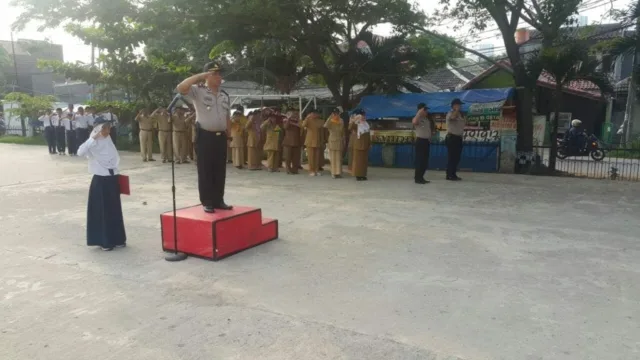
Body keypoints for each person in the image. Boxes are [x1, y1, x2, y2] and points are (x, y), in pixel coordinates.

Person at [176, 62, 232, 213]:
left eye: (220, 74)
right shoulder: (198, 91)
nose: (219, 77)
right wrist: (200, 76)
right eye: (215, 74)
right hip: (205, 135)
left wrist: (229, 135)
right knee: (205, 169)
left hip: (221, 137)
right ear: (207, 75)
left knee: (220, 170)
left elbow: (227, 115)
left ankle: (219, 200)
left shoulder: (224, 95)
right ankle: (207, 201)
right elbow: (181, 88)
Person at [77, 116, 127, 251]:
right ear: (98, 129)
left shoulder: (108, 139)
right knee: (103, 211)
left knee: (114, 210)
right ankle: (105, 241)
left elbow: (113, 157)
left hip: (112, 178)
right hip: (100, 180)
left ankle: (118, 239)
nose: (108, 131)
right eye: (105, 128)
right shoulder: (92, 142)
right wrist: (92, 138)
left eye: (109, 128)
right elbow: (80, 152)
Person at [412, 103, 435, 184]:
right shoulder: (417, 118)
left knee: (425, 161)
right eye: (424, 110)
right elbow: (414, 122)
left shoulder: (427, 119)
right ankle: (417, 178)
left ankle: (421, 177)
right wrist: (419, 112)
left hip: (426, 141)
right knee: (420, 160)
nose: (426, 111)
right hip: (420, 141)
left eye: (426, 110)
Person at [445, 98, 465, 181]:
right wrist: (456, 110)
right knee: (452, 157)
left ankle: (453, 173)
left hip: (458, 138)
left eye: (460, 105)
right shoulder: (451, 113)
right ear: (454, 105)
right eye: (459, 105)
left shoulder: (460, 114)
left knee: (457, 157)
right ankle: (449, 175)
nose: (460, 106)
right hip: (452, 137)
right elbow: (452, 118)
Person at [349, 109, 371, 181]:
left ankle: (363, 174)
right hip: (358, 145)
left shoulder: (366, 124)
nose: (363, 116)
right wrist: (355, 119)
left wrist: (369, 144)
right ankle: (358, 175)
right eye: (362, 115)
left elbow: (368, 135)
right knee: (358, 161)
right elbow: (350, 127)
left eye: (364, 115)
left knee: (364, 161)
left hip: (365, 145)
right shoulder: (357, 124)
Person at [302, 109, 324, 176]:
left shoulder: (320, 121)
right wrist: (307, 117)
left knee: (317, 157)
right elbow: (303, 125)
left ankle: (316, 170)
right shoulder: (308, 120)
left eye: (316, 114)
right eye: (313, 113)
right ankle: (311, 170)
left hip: (317, 140)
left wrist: (322, 141)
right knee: (311, 157)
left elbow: (322, 129)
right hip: (310, 141)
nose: (315, 115)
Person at [324, 108, 344, 179]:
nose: (336, 115)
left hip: (338, 139)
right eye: (335, 113)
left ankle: (338, 172)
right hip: (332, 139)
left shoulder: (341, 120)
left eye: (337, 113)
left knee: (338, 157)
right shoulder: (330, 121)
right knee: (332, 157)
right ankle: (333, 172)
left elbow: (341, 129)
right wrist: (330, 117)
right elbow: (325, 125)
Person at [282, 107, 302, 174]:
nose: (294, 115)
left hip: (297, 141)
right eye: (291, 113)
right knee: (288, 157)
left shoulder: (298, 121)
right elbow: (285, 127)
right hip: (288, 142)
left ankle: (295, 170)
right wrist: (289, 119)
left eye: (296, 113)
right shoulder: (285, 120)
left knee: (296, 157)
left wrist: (296, 120)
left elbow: (301, 126)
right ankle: (288, 169)